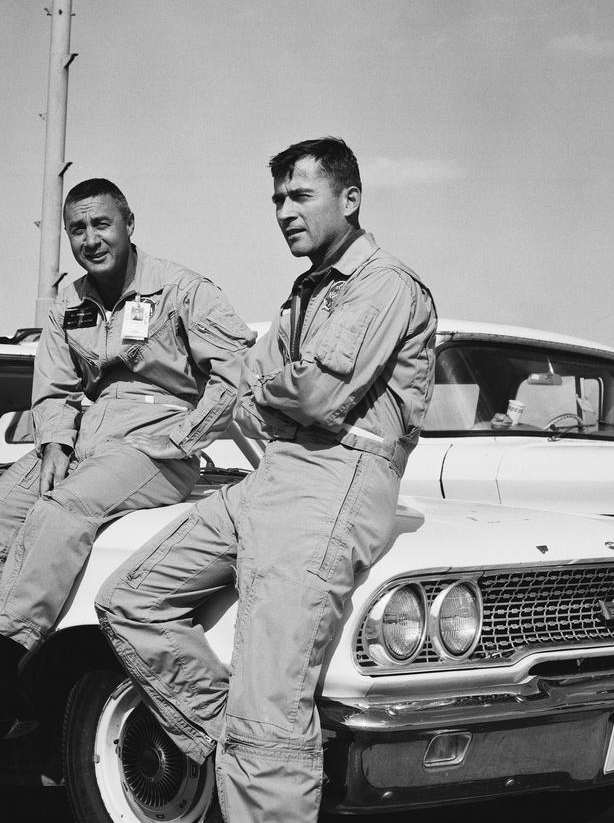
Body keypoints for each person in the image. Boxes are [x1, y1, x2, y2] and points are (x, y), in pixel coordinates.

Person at [95, 137, 437, 823]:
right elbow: (249, 394)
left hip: (337, 478)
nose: (284, 212)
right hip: (277, 471)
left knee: (271, 706)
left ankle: (259, 753)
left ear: (350, 199)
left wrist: (277, 388)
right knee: (130, 600)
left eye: (301, 196)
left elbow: (315, 396)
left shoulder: (384, 284)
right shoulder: (307, 292)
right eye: (278, 199)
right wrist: (279, 389)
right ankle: (235, 743)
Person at [0, 178, 254, 742]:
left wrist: (185, 436)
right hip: (87, 433)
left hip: (155, 440)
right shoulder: (69, 302)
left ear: (129, 223)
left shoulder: (183, 289)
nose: (91, 239)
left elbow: (237, 374)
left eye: (102, 224)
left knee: (61, 511)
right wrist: (57, 442)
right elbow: (54, 389)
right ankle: (0, 689)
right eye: (77, 229)